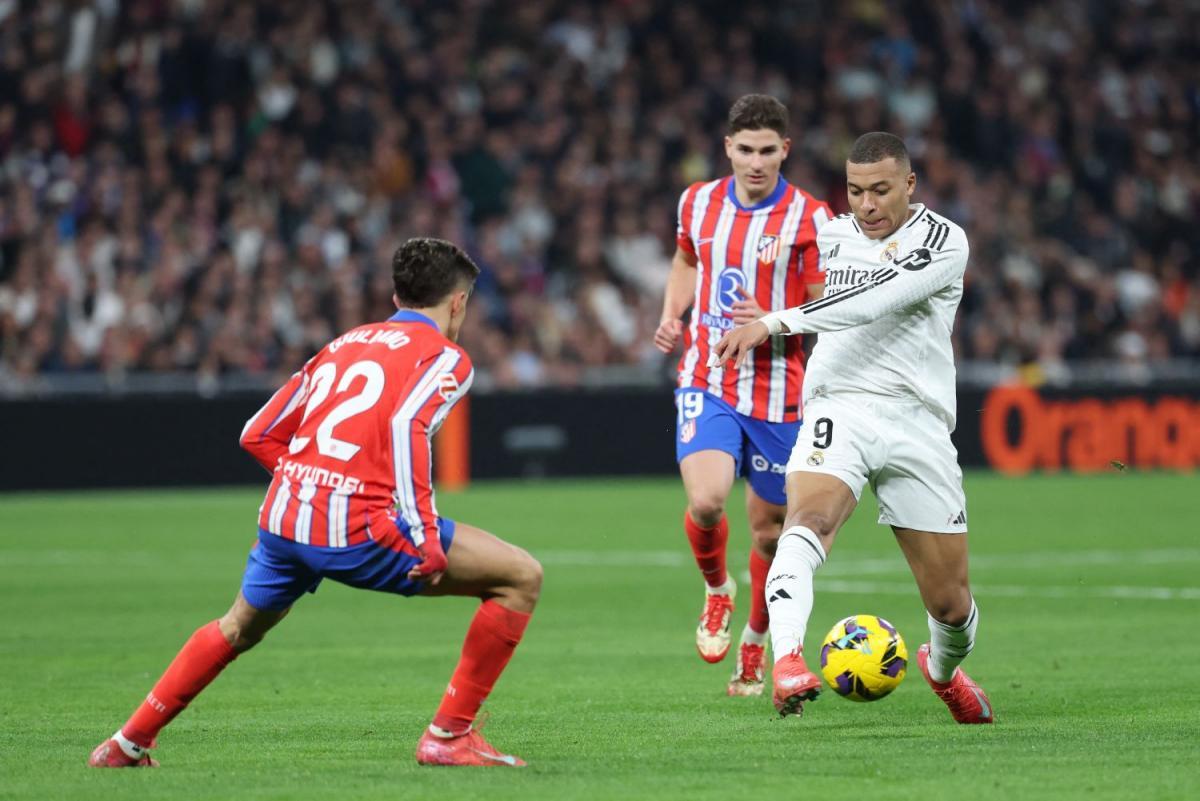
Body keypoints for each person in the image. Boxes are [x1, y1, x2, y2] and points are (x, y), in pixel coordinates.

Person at [89, 238, 543, 768]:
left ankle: (127, 743)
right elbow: (406, 425)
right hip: (358, 526)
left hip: (285, 518)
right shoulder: (447, 356)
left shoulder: (345, 342)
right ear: (458, 303)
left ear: (398, 296)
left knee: (238, 626)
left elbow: (256, 433)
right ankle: (448, 737)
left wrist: (308, 482)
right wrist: (422, 534)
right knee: (520, 577)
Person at [710, 132, 993, 723]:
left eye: (881, 190)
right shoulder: (831, 235)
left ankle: (941, 671)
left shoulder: (943, 241)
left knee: (950, 601)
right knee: (806, 521)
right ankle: (787, 659)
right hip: (840, 406)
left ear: (909, 185)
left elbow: (873, 300)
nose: (866, 205)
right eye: (856, 190)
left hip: (918, 422)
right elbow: (779, 272)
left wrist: (773, 322)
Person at [654, 94, 830, 696]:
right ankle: (715, 591)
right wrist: (672, 313)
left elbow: (831, 310)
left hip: (781, 391)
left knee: (770, 534)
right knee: (706, 500)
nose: (756, 163)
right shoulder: (697, 201)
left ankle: (756, 642)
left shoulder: (811, 219)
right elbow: (685, 260)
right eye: (745, 150)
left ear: (787, 149)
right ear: (728, 147)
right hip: (708, 375)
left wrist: (781, 318)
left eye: (768, 151)